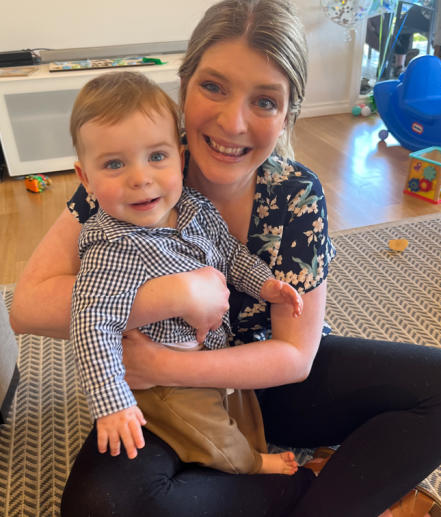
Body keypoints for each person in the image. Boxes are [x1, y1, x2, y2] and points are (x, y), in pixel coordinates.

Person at [10, 1, 441, 515]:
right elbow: (26, 307)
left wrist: (166, 363)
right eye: (213, 86)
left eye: (265, 101)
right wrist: (170, 296)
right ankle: (316, 492)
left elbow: (295, 356)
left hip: (257, 379)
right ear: (183, 89)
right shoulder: (133, 167)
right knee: (103, 506)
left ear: (288, 114)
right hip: (158, 397)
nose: (233, 123)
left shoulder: (295, 193)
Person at [69, 71, 304, 476]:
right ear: (85, 178)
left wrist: (266, 284)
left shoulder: (196, 208)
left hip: (213, 352)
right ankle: (253, 466)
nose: (140, 178)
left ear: (180, 158)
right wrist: (112, 404)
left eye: (156, 157)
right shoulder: (110, 246)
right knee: (218, 442)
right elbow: (90, 324)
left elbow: (230, 254)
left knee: (241, 411)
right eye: (114, 164)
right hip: (162, 388)